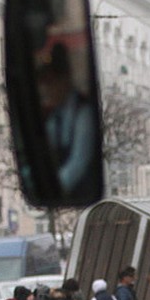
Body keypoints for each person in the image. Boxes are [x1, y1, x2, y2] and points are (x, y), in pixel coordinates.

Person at [37, 44, 97, 198]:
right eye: (44, 83)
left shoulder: (84, 114)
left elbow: (78, 162)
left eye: (50, 83)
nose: (46, 90)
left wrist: (50, 189)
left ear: (64, 80)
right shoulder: (54, 117)